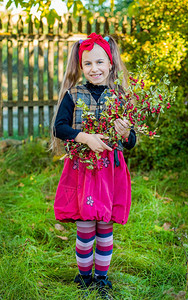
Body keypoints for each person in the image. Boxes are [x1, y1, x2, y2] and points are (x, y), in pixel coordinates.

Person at [51, 33, 136, 298]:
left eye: (100, 62)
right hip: (83, 170)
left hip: (110, 171)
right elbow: (59, 127)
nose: (94, 68)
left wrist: (124, 134)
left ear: (110, 64)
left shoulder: (120, 96)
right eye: (87, 64)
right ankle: (84, 276)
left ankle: (101, 278)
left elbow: (132, 141)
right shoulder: (73, 94)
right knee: (86, 226)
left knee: (105, 226)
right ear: (80, 66)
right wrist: (85, 137)